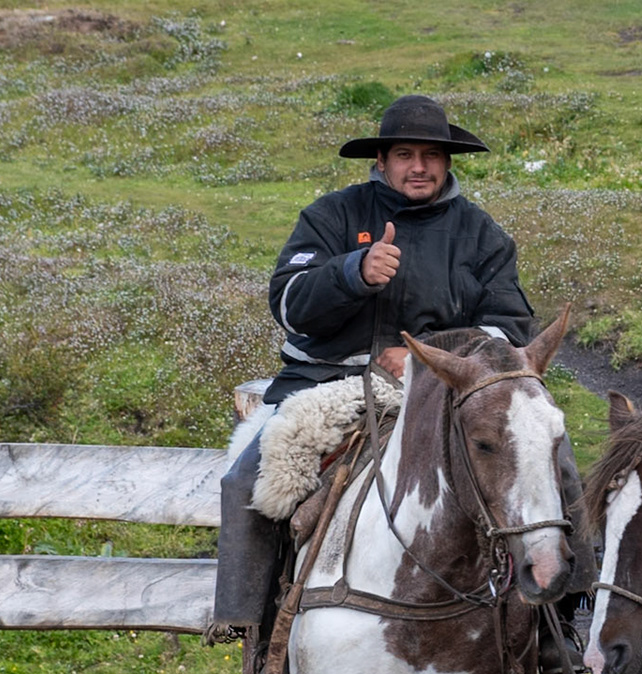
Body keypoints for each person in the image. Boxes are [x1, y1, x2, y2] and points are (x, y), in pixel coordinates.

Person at [214, 94, 537, 631]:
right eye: (405, 154)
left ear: (447, 162)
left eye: (431, 155)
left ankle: (560, 619)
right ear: (381, 161)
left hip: (438, 388)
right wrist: (352, 273)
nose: (419, 166)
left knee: (547, 454)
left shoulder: (482, 235)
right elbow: (289, 305)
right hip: (325, 385)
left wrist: (428, 355)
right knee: (243, 479)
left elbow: (509, 327)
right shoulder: (331, 215)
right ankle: (251, 624)